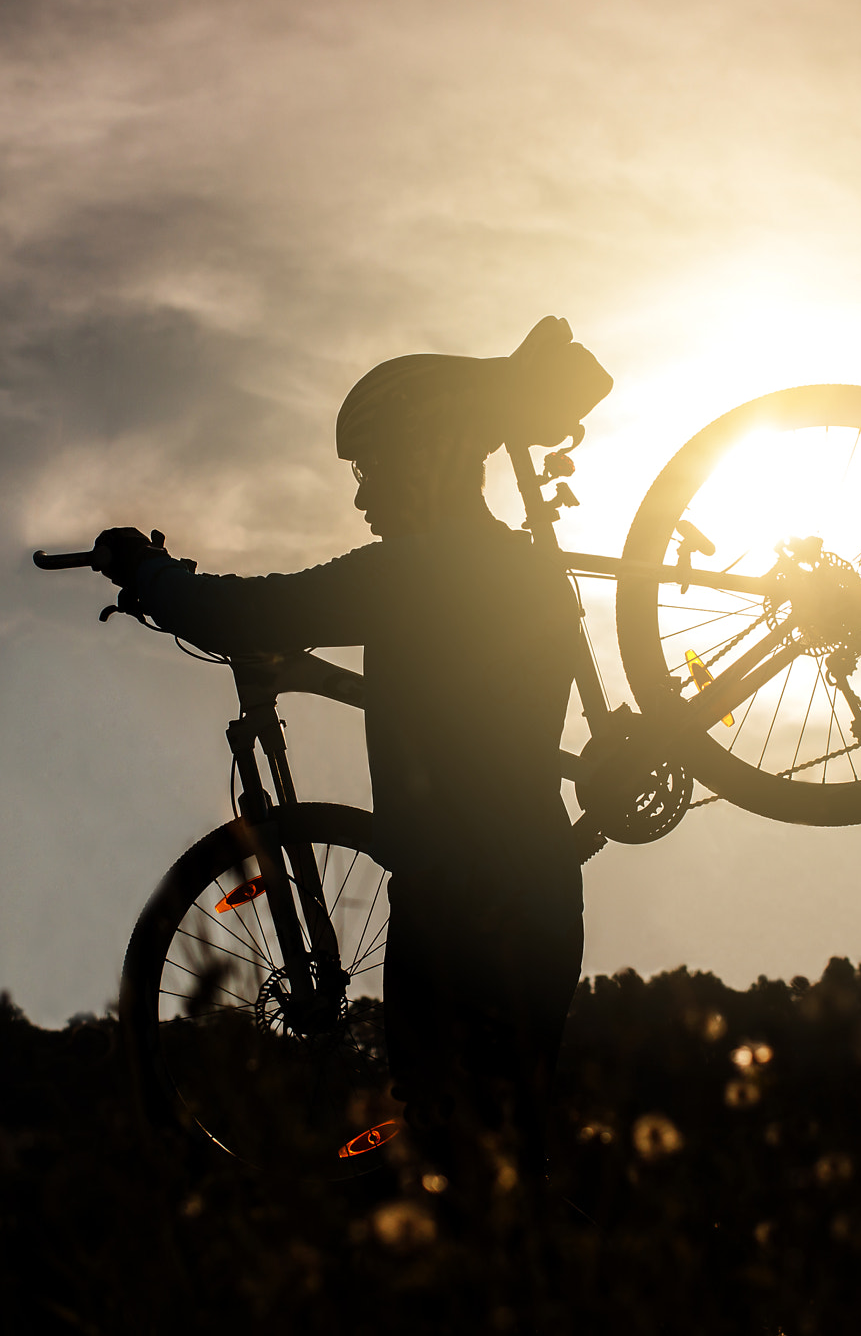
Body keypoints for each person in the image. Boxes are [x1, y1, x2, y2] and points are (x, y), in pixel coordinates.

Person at [93, 316, 613, 1183]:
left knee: (471, 1159)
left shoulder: (427, 572)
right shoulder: (494, 572)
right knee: (480, 1151)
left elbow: (255, 609)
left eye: (374, 471)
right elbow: (458, 708)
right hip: (509, 899)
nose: (365, 498)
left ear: (425, 457)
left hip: (468, 912)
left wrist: (147, 575)